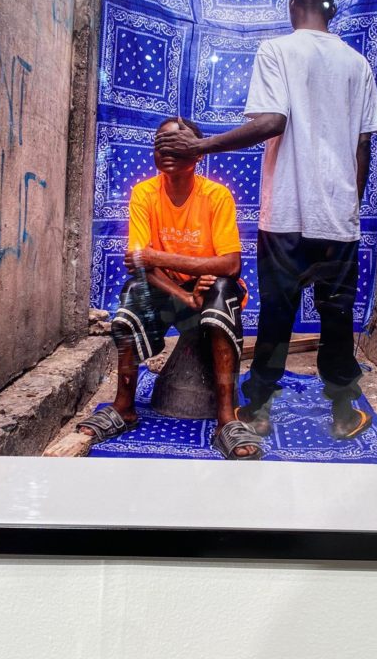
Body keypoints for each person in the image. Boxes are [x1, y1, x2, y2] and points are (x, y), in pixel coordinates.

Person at [155, 0, 377, 440]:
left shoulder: (277, 51)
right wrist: (349, 205)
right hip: (337, 217)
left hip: (285, 213)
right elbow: (364, 146)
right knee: (337, 316)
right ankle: (344, 412)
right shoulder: (358, 63)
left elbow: (271, 122)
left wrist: (202, 146)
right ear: (331, 9)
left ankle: (258, 408)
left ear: (293, 5)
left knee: (277, 316)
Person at [77, 117, 263, 460]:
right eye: (161, 143)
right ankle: (124, 406)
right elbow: (140, 264)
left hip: (210, 289)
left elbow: (230, 265)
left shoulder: (216, 196)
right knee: (133, 292)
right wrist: (183, 295)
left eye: (178, 143)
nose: (167, 149)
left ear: (199, 153)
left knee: (222, 288)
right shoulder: (144, 193)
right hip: (171, 290)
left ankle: (226, 419)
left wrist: (158, 257)